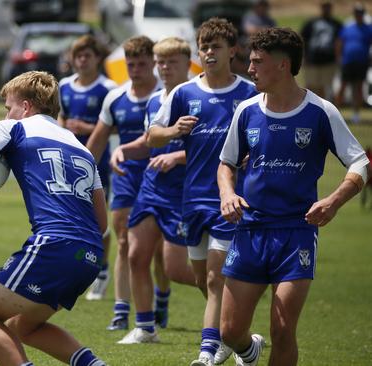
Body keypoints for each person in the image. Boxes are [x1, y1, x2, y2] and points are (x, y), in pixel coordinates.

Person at [218, 27, 370, 366]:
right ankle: (248, 350)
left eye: (257, 62)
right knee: (228, 331)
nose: (250, 69)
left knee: (283, 329)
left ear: (283, 66)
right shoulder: (246, 111)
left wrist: (334, 200)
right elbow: (226, 162)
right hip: (250, 230)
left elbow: (360, 162)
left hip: (296, 232)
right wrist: (227, 193)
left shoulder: (321, 112)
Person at [0, 71, 108, 366]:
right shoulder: (83, 149)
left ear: (25, 107)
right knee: (24, 326)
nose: (6, 113)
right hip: (90, 254)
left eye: (8, 107)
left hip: (54, 245)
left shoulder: (14, 128)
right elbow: (101, 223)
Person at [147, 18, 258, 365]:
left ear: (232, 51)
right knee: (201, 279)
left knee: (214, 277)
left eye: (217, 47)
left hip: (230, 198)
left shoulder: (248, 93)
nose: (209, 53)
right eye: (204, 47)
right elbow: (152, 135)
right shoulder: (184, 93)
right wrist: (173, 131)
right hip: (191, 198)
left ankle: (208, 352)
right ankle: (243, 342)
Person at [110, 37, 198, 341]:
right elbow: (150, 142)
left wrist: (176, 157)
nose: (164, 68)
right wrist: (122, 150)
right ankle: (145, 327)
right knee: (136, 256)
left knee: (176, 269)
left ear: (188, 64)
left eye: (171, 62)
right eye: (161, 62)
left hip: (183, 193)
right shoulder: (154, 101)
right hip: (151, 189)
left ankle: (234, 298)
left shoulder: (198, 96)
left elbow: (215, 148)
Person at [86, 35, 160, 339]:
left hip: (161, 179)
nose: (136, 69)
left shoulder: (166, 95)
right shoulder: (115, 98)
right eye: (131, 64)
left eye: (142, 63)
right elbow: (98, 142)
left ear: (153, 63)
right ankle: (120, 312)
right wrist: (83, 174)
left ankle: (161, 301)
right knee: (127, 244)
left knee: (161, 252)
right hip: (127, 178)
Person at [58, 34, 117, 301]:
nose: (82, 60)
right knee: (70, 218)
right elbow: (60, 115)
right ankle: (76, 269)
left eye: (87, 56)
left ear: (97, 59)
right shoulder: (64, 86)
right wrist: (62, 129)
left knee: (98, 220)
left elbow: (118, 125)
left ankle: (102, 270)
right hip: (68, 165)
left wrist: (88, 128)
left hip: (97, 164)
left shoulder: (108, 88)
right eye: (78, 55)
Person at [335, 2, 372, 124]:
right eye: (357, 13)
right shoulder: (348, 27)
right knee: (343, 87)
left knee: (359, 88)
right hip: (347, 62)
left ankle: (356, 115)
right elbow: (340, 43)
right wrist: (339, 58)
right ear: (354, 14)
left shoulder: (369, 28)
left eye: (361, 13)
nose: (359, 15)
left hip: (361, 63)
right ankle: (336, 114)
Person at [300, 1, 342, 99]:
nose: (326, 9)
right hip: (312, 61)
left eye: (328, 7)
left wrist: (338, 57)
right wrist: (303, 57)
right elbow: (302, 39)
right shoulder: (311, 22)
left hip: (329, 61)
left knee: (326, 87)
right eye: (324, 7)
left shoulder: (336, 24)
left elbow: (340, 42)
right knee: (310, 87)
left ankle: (324, 109)